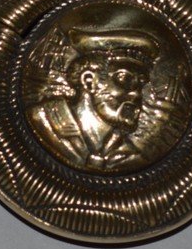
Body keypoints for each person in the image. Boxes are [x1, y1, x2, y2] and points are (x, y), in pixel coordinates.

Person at [27, 28, 159, 172]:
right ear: (89, 82)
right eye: (124, 79)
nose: (137, 94)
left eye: (141, 85)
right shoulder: (42, 121)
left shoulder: (130, 156)